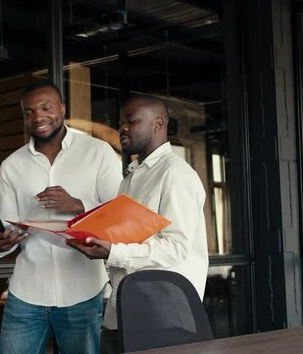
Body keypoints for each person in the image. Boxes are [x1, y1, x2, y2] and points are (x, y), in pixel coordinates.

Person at [0, 82, 122, 354]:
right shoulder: (12, 165)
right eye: (29, 112)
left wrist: (77, 205)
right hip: (26, 290)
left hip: (83, 290)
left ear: (62, 108)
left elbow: (118, 215)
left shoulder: (98, 152)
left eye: (46, 108)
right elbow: (8, 226)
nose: (38, 117)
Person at [67, 95, 209, 354]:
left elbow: (176, 248)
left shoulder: (175, 174)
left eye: (131, 121)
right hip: (125, 312)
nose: (122, 128)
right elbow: (129, 238)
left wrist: (112, 251)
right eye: (121, 122)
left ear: (158, 124)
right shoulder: (131, 178)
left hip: (163, 316)